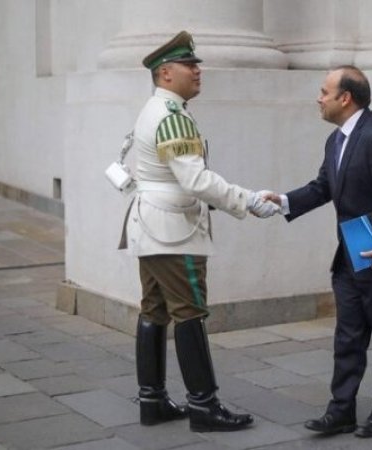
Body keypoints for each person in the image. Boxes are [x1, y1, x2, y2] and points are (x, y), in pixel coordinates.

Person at [118, 30, 279, 432]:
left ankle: (152, 401)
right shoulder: (172, 117)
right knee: (189, 312)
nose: (197, 70)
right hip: (173, 231)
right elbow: (196, 180)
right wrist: (246, 200)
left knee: (155, 310)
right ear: (165, 73)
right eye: (189, 65)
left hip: (151, 225)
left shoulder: (155, 108)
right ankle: (204, 407)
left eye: (196, 64)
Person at [263, 65, 372, 438]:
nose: (319, 98)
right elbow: (323, 187)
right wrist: (284, 201)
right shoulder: (336, 139)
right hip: (352, 252)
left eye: (324, 92)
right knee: (348, 336)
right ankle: (341, 411)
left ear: (345, 98)